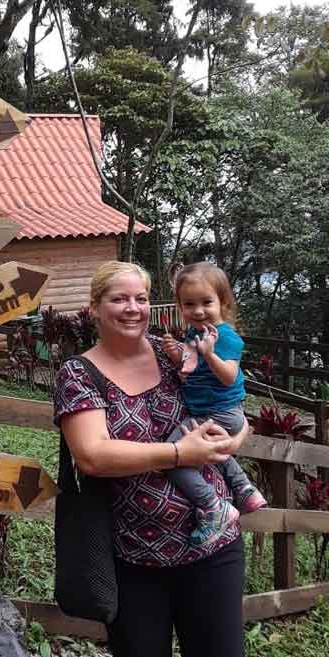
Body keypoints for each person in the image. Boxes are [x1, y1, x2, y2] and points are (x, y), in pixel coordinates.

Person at [53, 261, 248, 657]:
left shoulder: (172, 353)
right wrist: (180, 453)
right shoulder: (80, 373)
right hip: (136, 559)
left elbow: (230, 400)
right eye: (119, 298)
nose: (132, 308)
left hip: (214, 550)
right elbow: (92, 455)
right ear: (95, 307)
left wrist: (237, 437)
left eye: (141, 298)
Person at [162, 262, 267, 547]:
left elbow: (228, 376)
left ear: (223, 301)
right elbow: (192, 369)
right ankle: (244, 489)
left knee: (174, 459)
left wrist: (209, 354)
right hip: (208, 411)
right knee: (212, 450)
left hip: (219, 412)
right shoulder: (195, 334)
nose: (198, 310)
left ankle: (213, 508)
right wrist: (177, 355)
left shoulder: (228, 338)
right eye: (189, 304)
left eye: (206, 302)